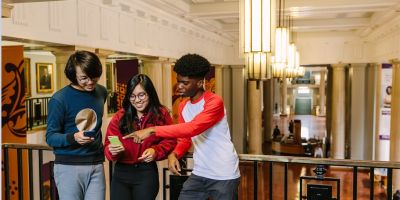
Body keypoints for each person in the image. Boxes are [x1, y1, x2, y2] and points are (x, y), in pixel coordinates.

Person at [124, 54, 241, 200]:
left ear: (199, 83)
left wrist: (152, 130)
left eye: (184, 83)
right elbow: (185, 138)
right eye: (179, 81)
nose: (179, 86)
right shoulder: (183, 106)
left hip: (224, 173)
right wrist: (174, 154)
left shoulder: (214, 102)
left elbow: (193, 128)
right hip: (200, 173)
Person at [45, 50, 107, 200]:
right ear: (73, 75)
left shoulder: (101, 92)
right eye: (84, 78)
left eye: (94, 77)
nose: (90, 82)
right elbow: (50, 137)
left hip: (97, 164)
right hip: (68, 167)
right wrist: (73, 137)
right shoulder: (59, 99)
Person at [104, 74, 177, 200]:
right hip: (121, 173)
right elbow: (108, 145)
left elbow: (171, 139)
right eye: (132, 96)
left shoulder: (161, 114)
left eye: (141, 95)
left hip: (146, 173)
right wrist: (112, 151)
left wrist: (156, 151)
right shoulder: (119, 116)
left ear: (150, 93)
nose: (137, 100)